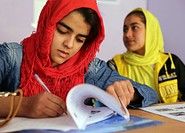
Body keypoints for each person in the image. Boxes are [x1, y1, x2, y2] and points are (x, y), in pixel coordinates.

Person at [0, 1, 158, 119]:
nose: (69, 44)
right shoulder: (12, 57)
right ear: (47, 24)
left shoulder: (88, 67)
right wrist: (22, 106)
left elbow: (151, 94)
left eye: (80, 39)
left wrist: (130, 93)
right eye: (62, 31)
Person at [108, 7, 185, 103]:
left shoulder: (170, 62)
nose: (127, 34)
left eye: (134, 27)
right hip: (130, 118)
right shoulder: (115, 65)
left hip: (166, 117)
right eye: (125, 29)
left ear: (150, 31)